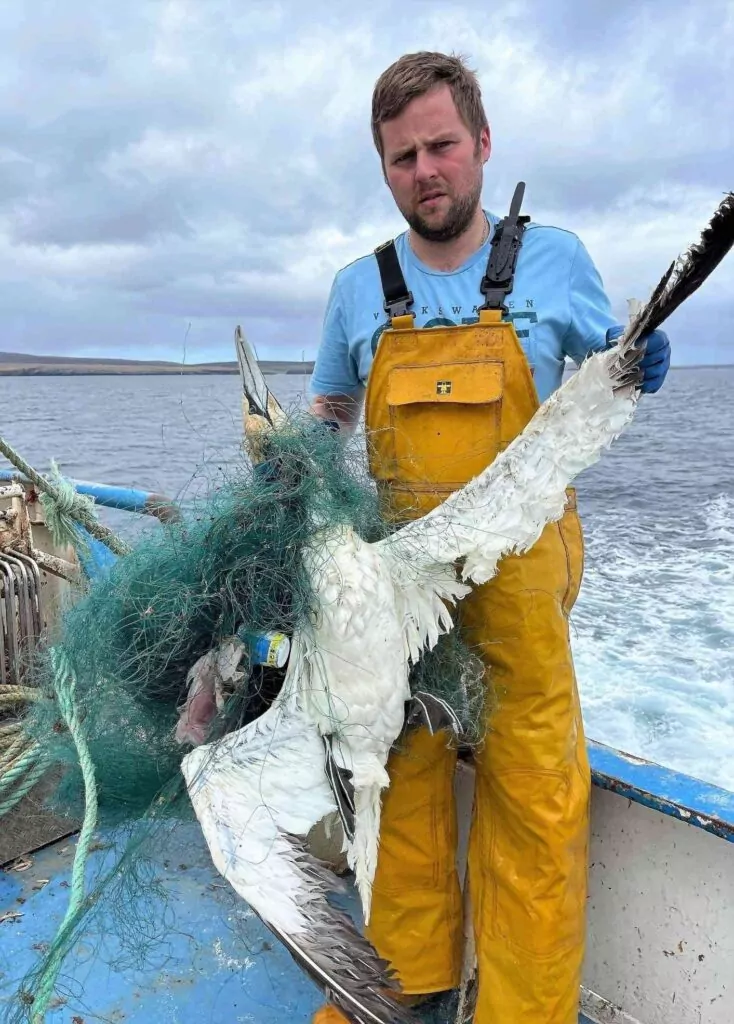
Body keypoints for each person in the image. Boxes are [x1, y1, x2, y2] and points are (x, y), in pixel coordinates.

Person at [305, 51, 671, 1024]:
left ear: (480, 143)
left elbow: (610, 367)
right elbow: (329, 414)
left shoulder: (553, 261)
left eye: (439, 146)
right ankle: (405, 982)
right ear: (383, 169)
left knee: (533, 800)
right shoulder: (355, 288)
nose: (423, 170)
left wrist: (639, 359)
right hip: (401, 595)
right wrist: (285, 455)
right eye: (400, 157)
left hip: (516, 584)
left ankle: (522, 1010)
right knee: (397, 783)